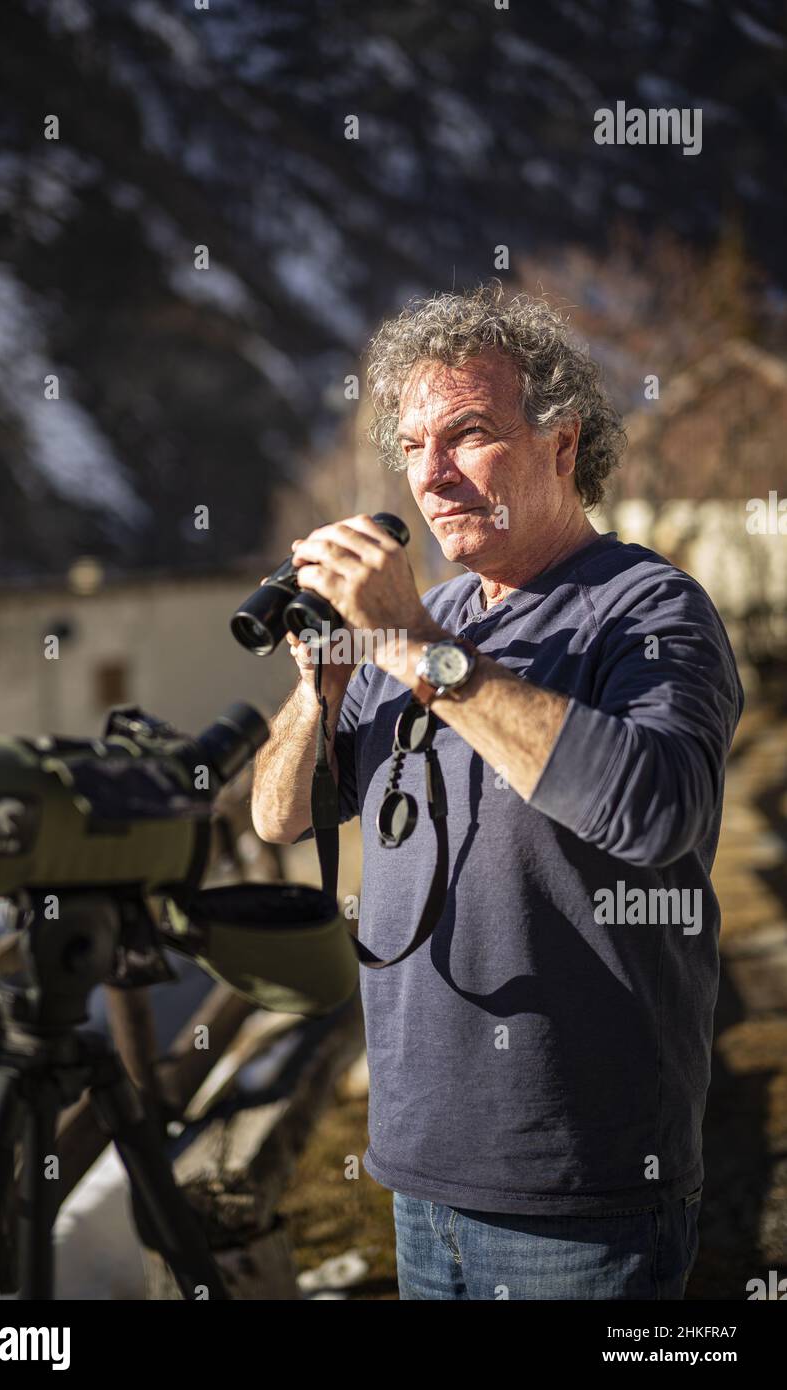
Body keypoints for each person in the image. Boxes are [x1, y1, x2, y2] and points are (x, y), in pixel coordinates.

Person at [250, 285, 744, 1300]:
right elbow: (277, 814)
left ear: (561, 445)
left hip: (582, 1182)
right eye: (413, 446)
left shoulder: (646, 608)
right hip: (418, 1166)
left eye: (468, 435)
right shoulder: (418, 618)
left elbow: (654, 809)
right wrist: (320, 683)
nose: (430, 477)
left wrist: (417, 652)